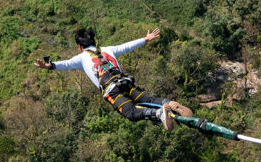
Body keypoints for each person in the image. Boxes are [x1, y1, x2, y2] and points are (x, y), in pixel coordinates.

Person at [35, 27, 192, 130]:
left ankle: (159, 114)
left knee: (130, 113)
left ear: (80, 47)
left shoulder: (82, 57)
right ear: (93, 42)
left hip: (113, 91)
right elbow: (126, 46)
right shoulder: (108, 49)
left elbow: (66, 64)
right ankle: (167, 103)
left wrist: (49, 66)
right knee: (147, 98)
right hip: (126, 83)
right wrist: (146, 39)